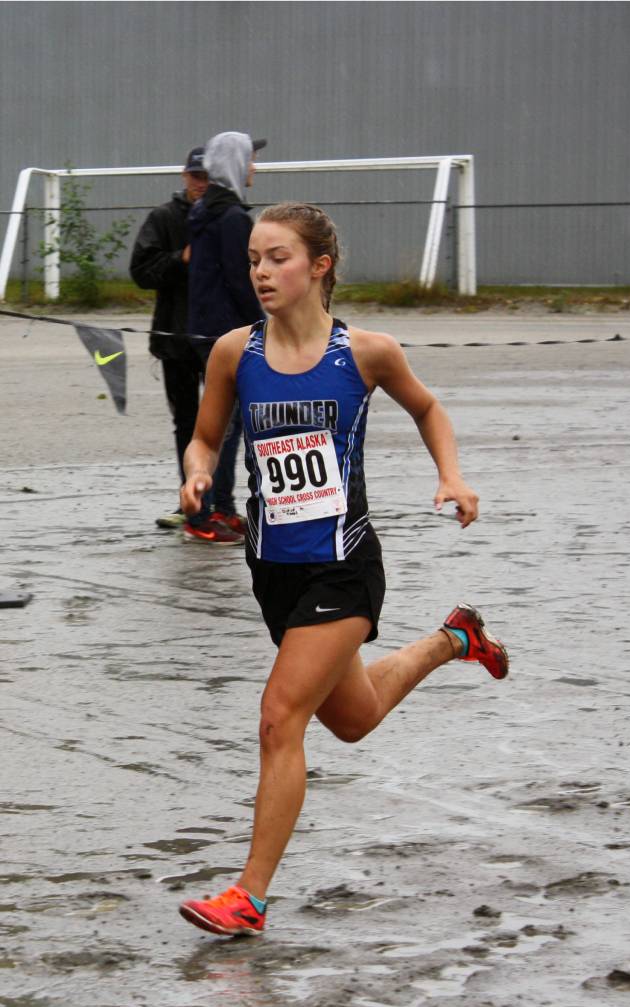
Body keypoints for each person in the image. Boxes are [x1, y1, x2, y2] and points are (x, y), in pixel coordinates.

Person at [177, 202, 509, 936]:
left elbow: (428, 409)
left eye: (277, 258)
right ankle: (453, 639)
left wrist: (451, 477)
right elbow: (204, 439)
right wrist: (196, 473)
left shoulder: (366, 352)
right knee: (352, 719)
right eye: (255, 259)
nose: (260, 272)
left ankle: (249, 897)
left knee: (278, 718)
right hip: (271, 569)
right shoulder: (235, 352)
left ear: (318, 266)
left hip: (343, 566)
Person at [183, 131, 266, 543]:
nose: (254, 167)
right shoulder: (232, 218)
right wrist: (264, 328)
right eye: (249, 159)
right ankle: (204, 515)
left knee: (226, 425)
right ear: (235, 163)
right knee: (225, 427)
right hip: (225, 334)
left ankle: (224, 507)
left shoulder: (203, 212)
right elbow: (241, 281)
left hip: (205, 329)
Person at [129, 146, 208, 530]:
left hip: (219, 340)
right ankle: (189, 498)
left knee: (229, 422)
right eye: (196, 176)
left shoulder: (229, 218)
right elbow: (140, 271)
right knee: (187, 422)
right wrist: (182, 259)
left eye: (208, 177)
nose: (201, 183)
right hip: (175, 338)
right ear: (184, 176)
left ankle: (221, 501)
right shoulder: (162, 218)